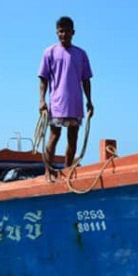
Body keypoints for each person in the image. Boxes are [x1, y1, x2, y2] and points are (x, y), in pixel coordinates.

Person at [38, 16, 93, 181]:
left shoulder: (81, 54)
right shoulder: (50, 52)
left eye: (67, 31)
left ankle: (68, 171)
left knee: (73, 138)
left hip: (75, 104)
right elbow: (43, 78)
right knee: (54, 136)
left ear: (73, 32)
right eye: (60, 31)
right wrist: (42, 100)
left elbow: (86, 79)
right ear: (57, 32)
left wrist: (89, 100)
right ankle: (48, 172)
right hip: (57, 103)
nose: (63, 34)